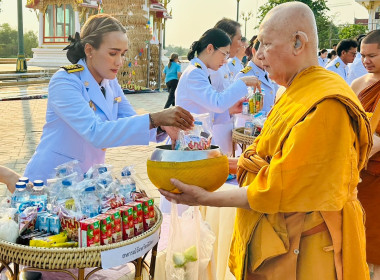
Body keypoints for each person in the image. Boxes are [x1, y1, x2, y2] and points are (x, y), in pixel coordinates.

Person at [160, 2, 371, 280]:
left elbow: (280, 184)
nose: (258, 55)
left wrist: (207, 198)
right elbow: (271, 160)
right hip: (280, 238)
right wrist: (217, 164)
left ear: (298, 43)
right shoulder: (295, 90)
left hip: (306, 249)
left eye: (266, 44)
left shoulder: (327, 103)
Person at [24, 14, 193, 183]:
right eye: (113, 53)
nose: (120, 62)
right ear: (89, 50)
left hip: (86, 182)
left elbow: (130, 120)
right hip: (49, 180)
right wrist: (155, 118)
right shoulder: (65, 81)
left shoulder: (110, 83)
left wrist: (161, 126)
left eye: (123, 54)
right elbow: (96, 132)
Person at [350, 29, 380, 280]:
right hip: (357, 172)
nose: (366, 61)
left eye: (372, 55)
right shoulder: (359, 84)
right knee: (356, 234)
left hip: (378, 173)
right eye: (362, 55)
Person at [209, 18, 244, 156]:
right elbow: (210, 107)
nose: (241, 44)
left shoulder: (224, 65)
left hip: (227, 127)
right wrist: (244, 83)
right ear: (228, 38)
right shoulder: (213, 69)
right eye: (239, 39)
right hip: (216, 132)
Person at [235, 35, 278, 115]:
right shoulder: (243, 76)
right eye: (263, 55)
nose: (266, 59)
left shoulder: (268, 73)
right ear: (254, 52)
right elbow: (240, 111)